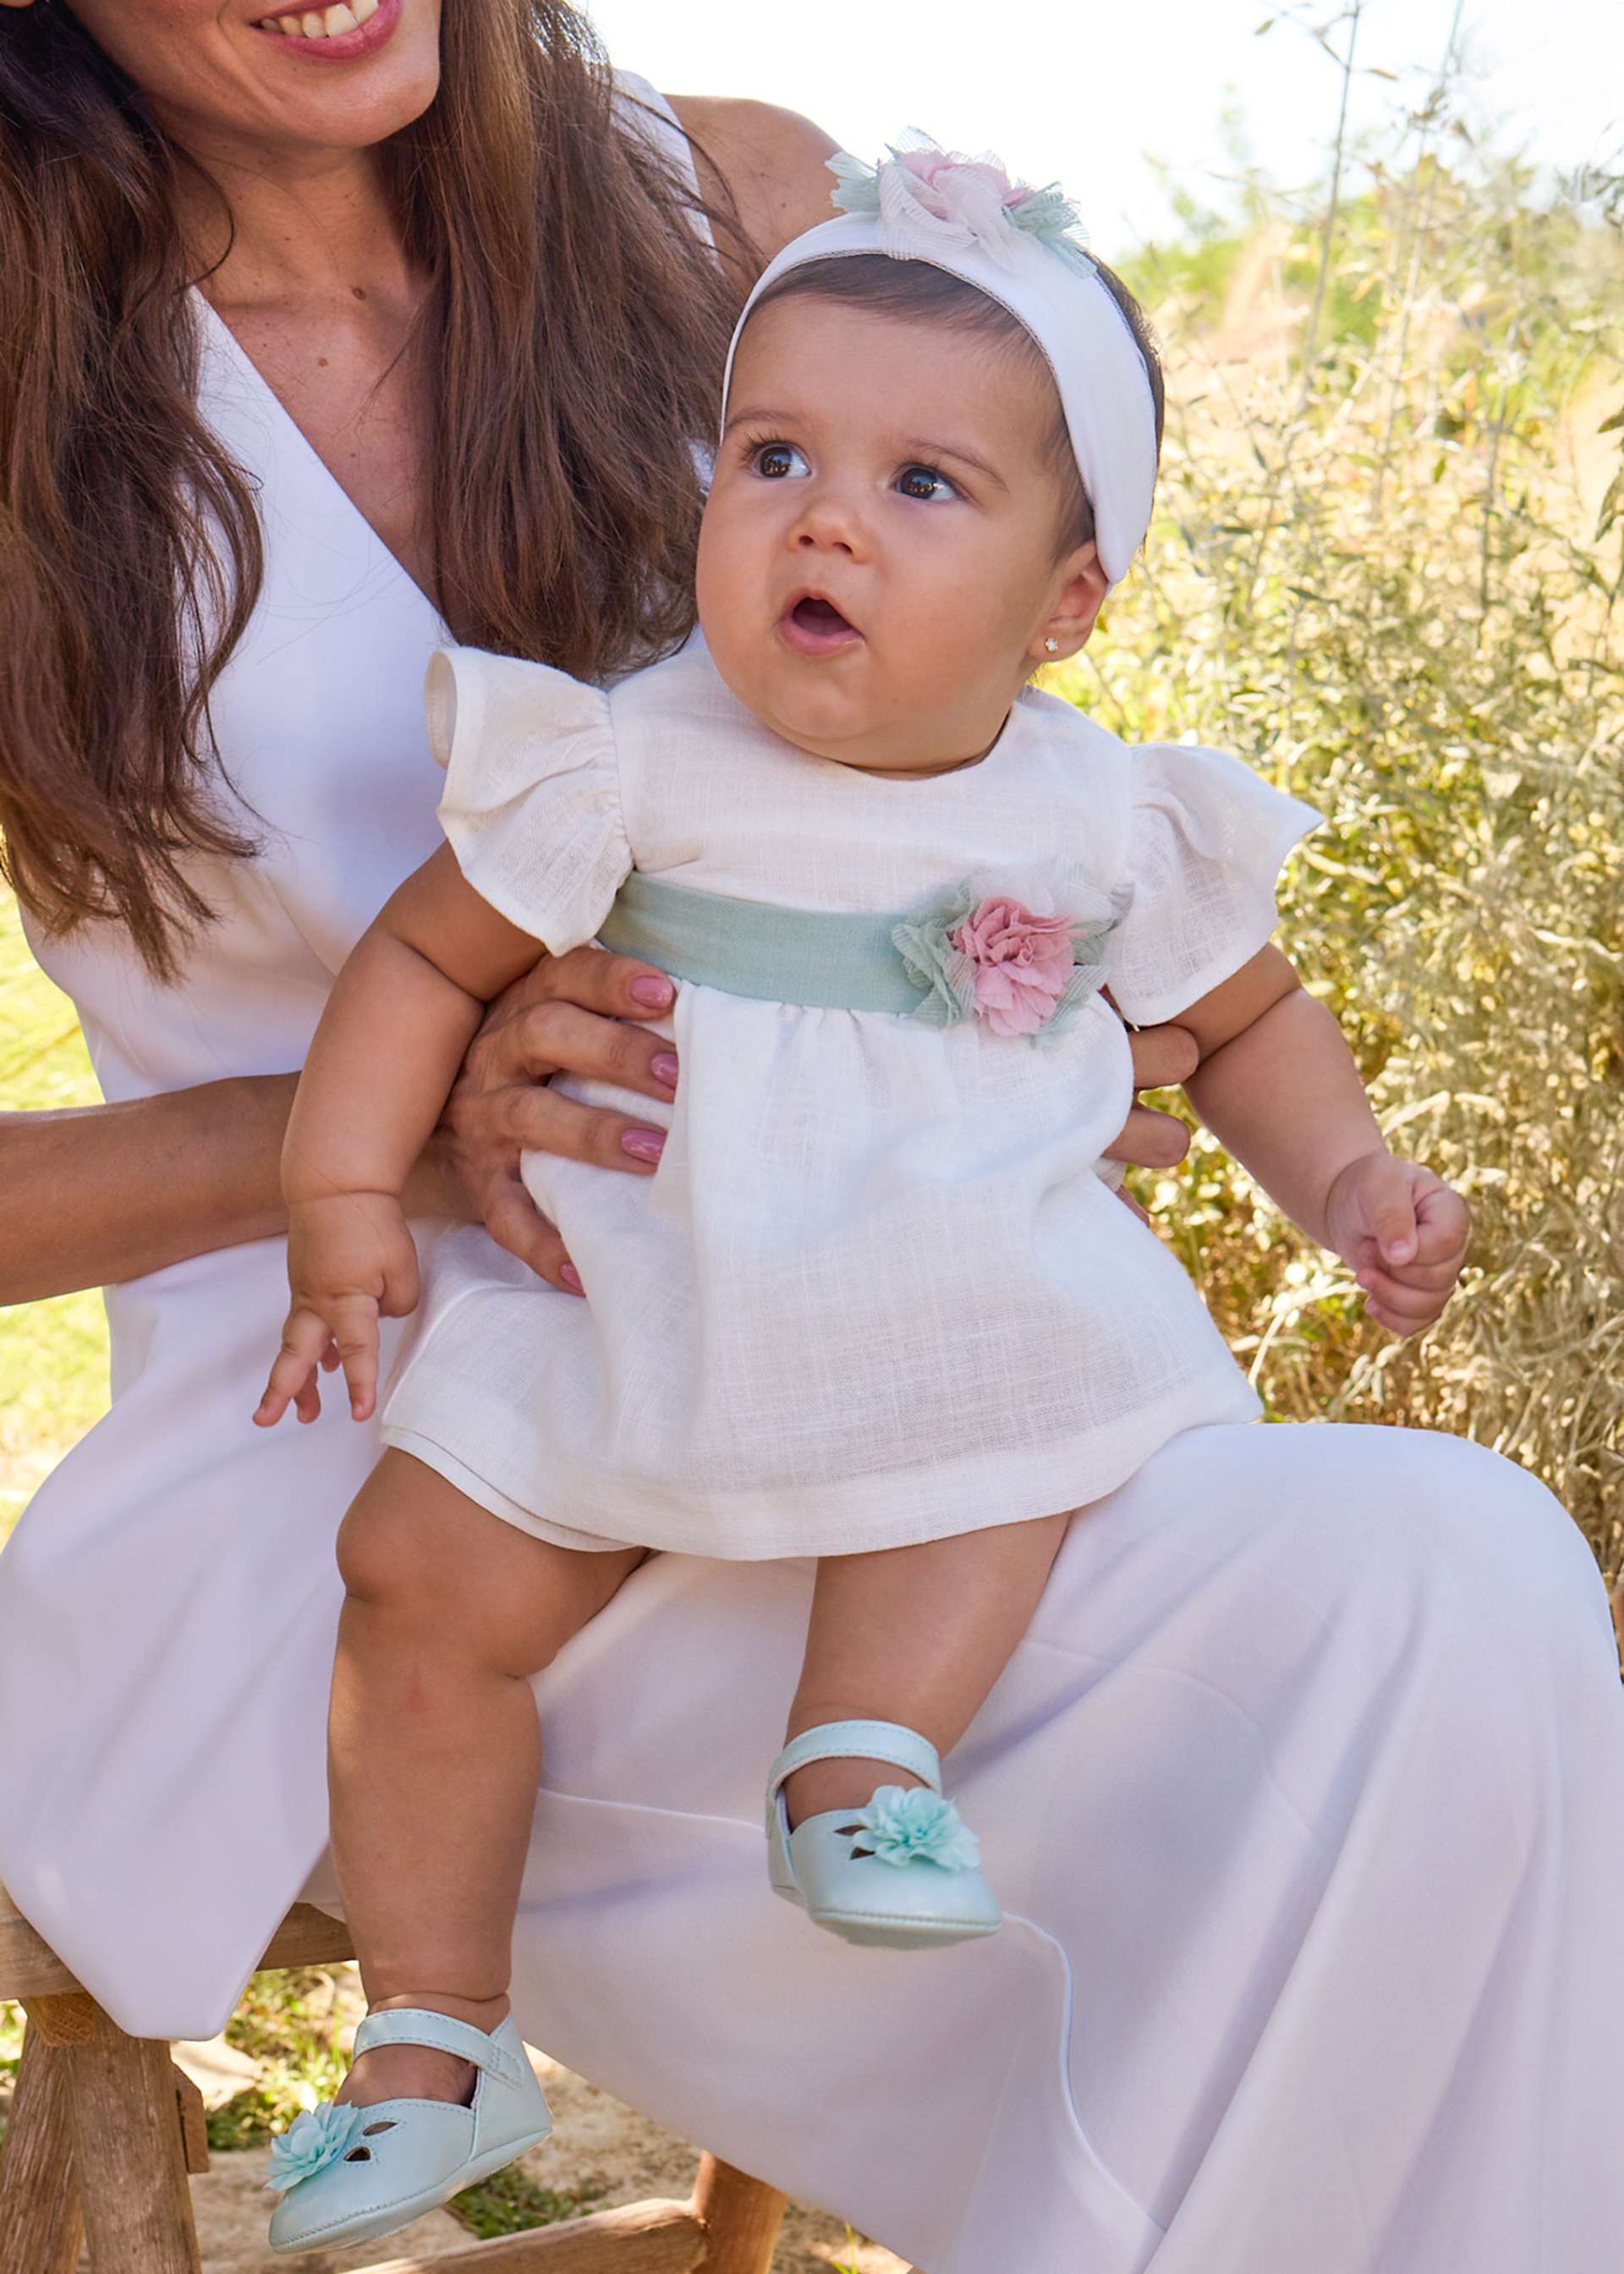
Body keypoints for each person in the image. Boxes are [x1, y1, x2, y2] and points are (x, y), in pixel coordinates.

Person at [0, 8, 1620, 2271]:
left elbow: (985, 788)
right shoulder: (21, 362)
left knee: (1453, 1579)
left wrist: (994, 1072)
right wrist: (379, 1136)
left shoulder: (738, 205)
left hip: (886, 1339)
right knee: (1248, 1856)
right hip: (380, 1438)